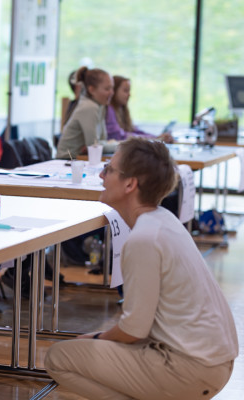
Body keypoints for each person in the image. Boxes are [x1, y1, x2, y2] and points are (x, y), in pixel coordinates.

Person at [45, 138, 238, 399]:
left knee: (58, 357)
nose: (101, 175)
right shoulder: (164, 220)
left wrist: (95, 339)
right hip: (213, 361)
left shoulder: (144, 238)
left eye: (109, 169)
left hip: (191, 368)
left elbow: (133, 330)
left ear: (130, 184)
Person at [56, 66, 118, 159]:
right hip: (67, 160)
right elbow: (94, 146)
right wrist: (119, 146)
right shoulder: (89, 107)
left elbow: (102, 140)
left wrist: (109, 145)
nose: (112, 92)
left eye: (112, 88)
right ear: (91, 90)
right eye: (107, 89)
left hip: (80, 158)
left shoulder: (100, 105)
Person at [106, 75, 174, 143]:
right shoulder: (109, 109)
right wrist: (154, 138)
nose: (129, 94)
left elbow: (135, 131)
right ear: (114, 91)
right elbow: (119, 136)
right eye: (125, 91)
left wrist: (157, 137)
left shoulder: (122, 110)